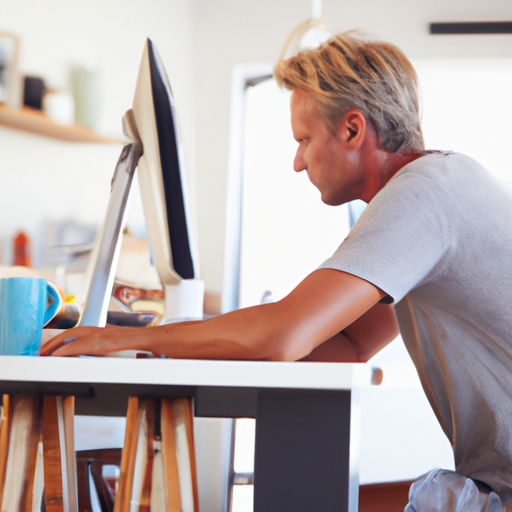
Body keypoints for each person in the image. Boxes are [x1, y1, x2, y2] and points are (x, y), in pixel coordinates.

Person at [43, 29, 512, 510]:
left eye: (304, 140)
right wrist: (182, 351)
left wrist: (132, 339)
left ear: (352, 129)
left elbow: (286, 333)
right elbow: (349, 345)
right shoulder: (443, 186)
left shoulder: (424, 195)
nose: (296, 162)